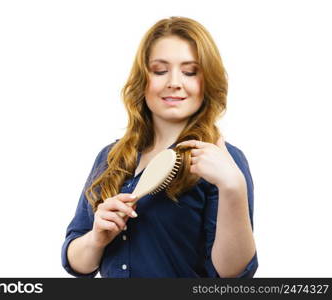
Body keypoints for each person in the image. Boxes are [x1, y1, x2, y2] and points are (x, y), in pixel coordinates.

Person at [61, 16, 258, 278]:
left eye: (190, 71)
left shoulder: (223, 160)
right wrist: (97, 238)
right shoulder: (111, 157)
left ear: (207, 81)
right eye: (159, 70)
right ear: (143, 80)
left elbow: (231, 275)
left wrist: (233, 186)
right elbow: (77, 263)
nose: (174, 82)